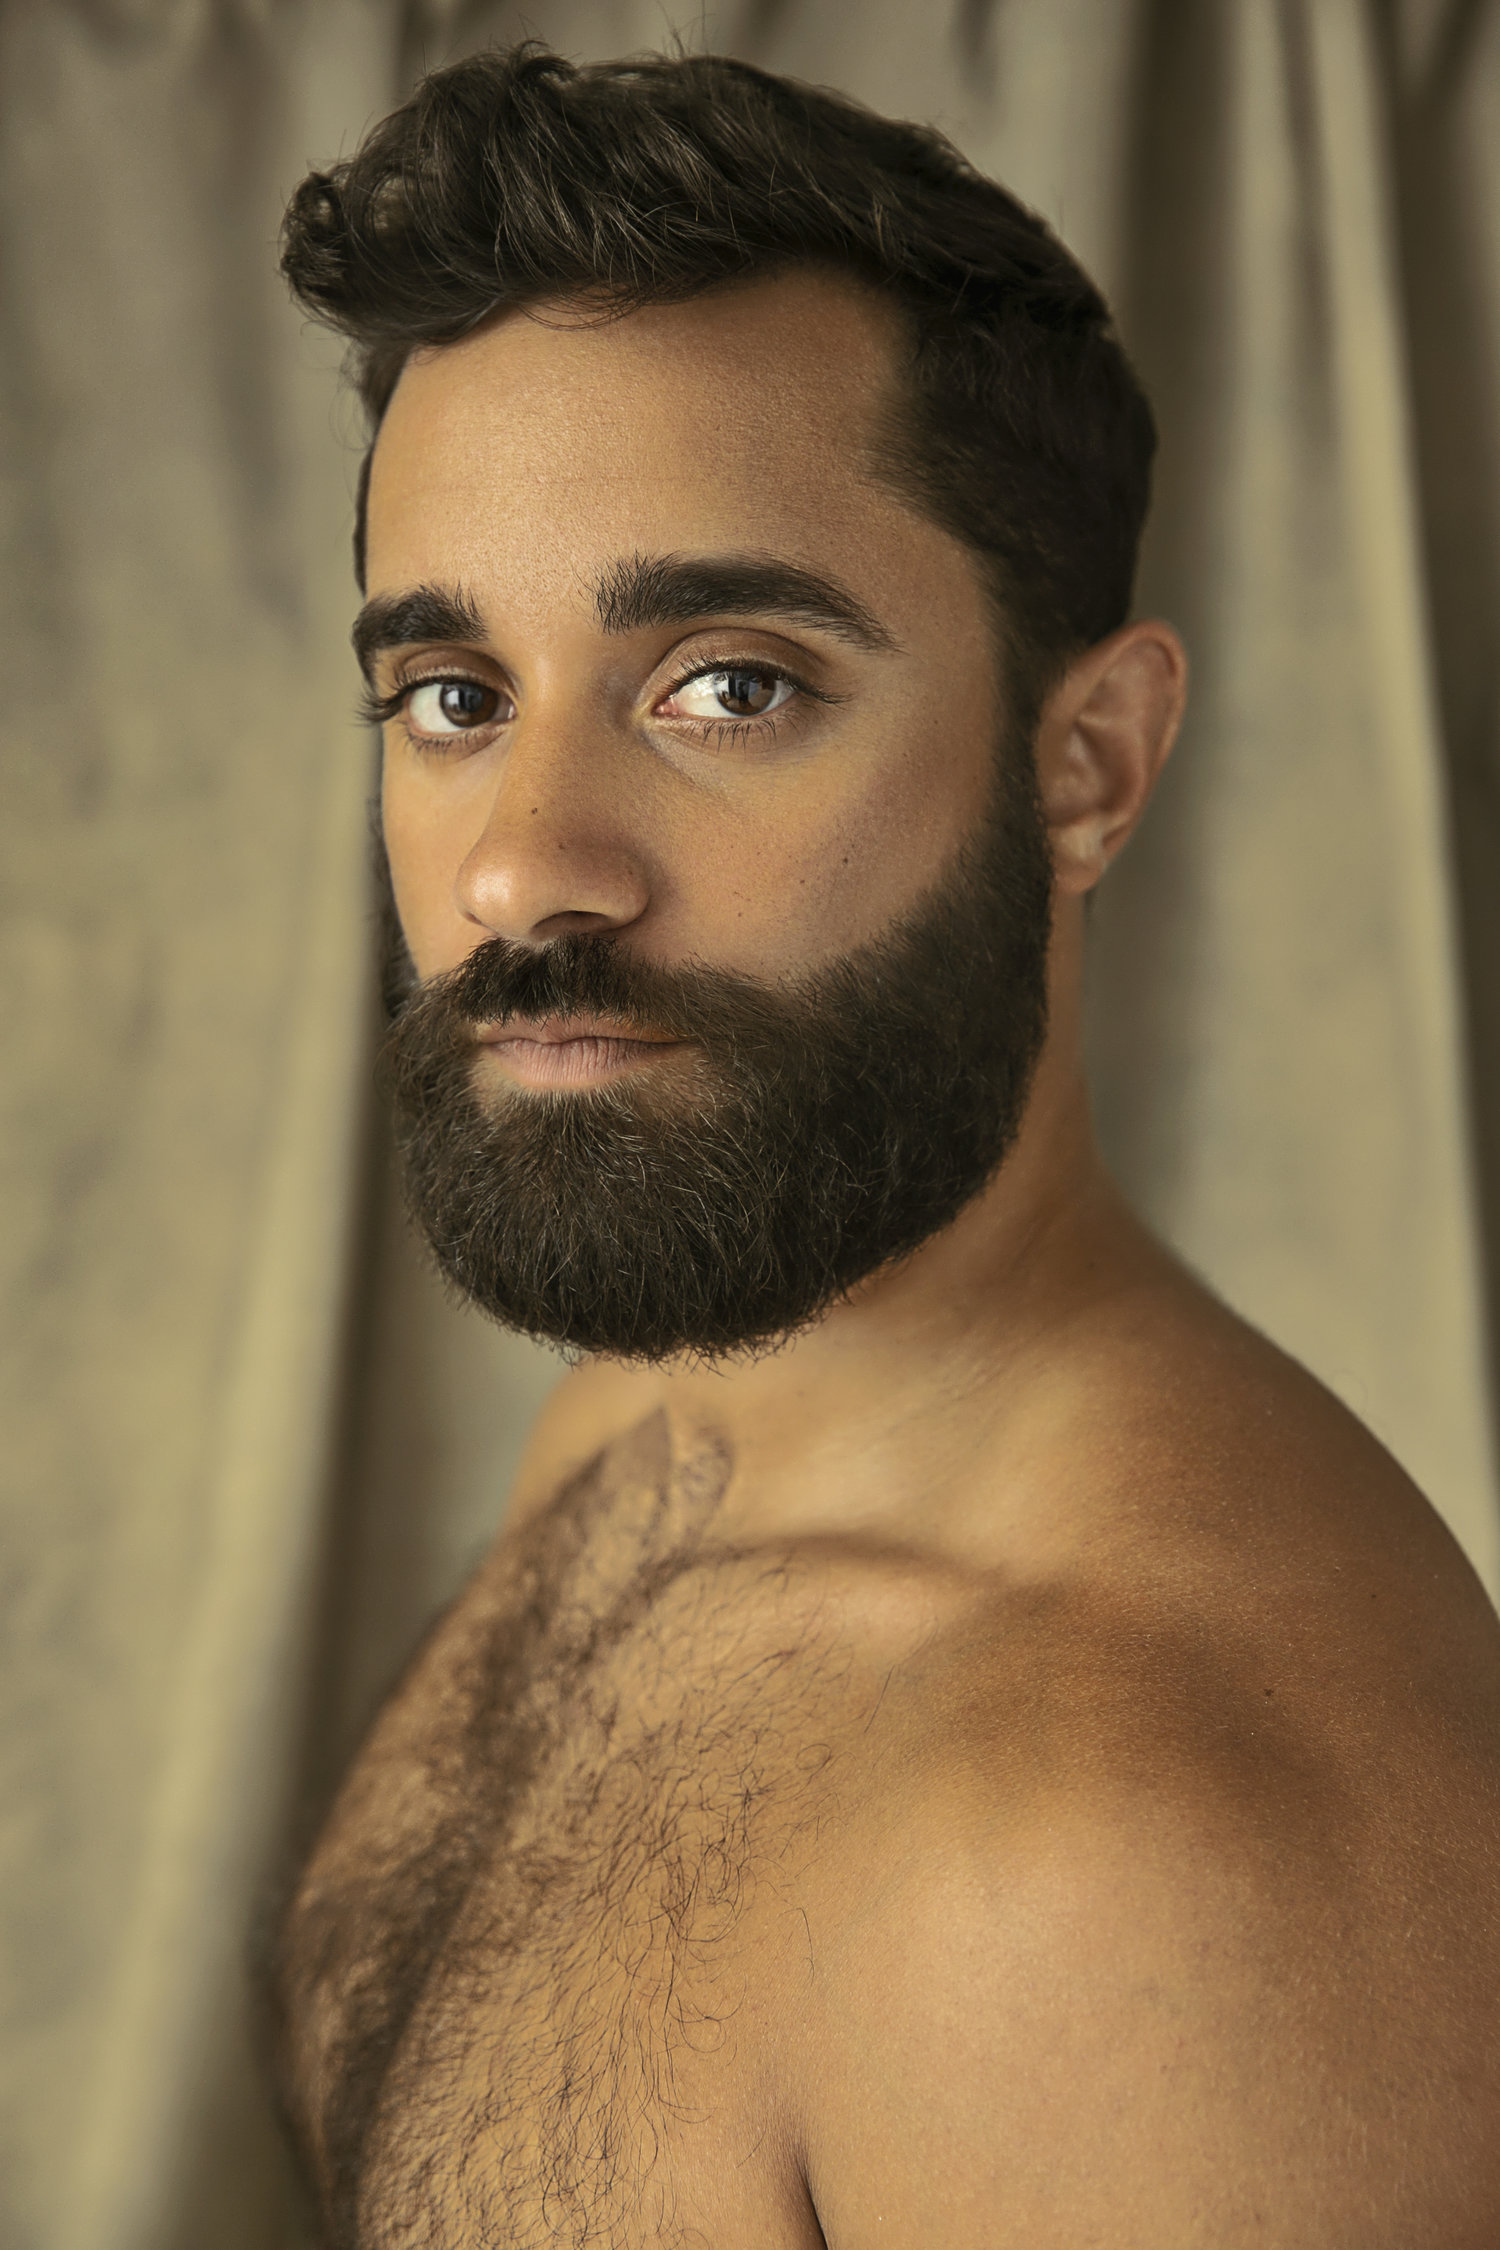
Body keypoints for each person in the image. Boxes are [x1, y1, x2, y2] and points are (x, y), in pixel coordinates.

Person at [269, 42, 1500, 2248]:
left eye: (727, 683)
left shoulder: (1141, 1860)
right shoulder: (658, 1406)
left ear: (1091, 766)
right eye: (455, 697)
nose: (521, 872)